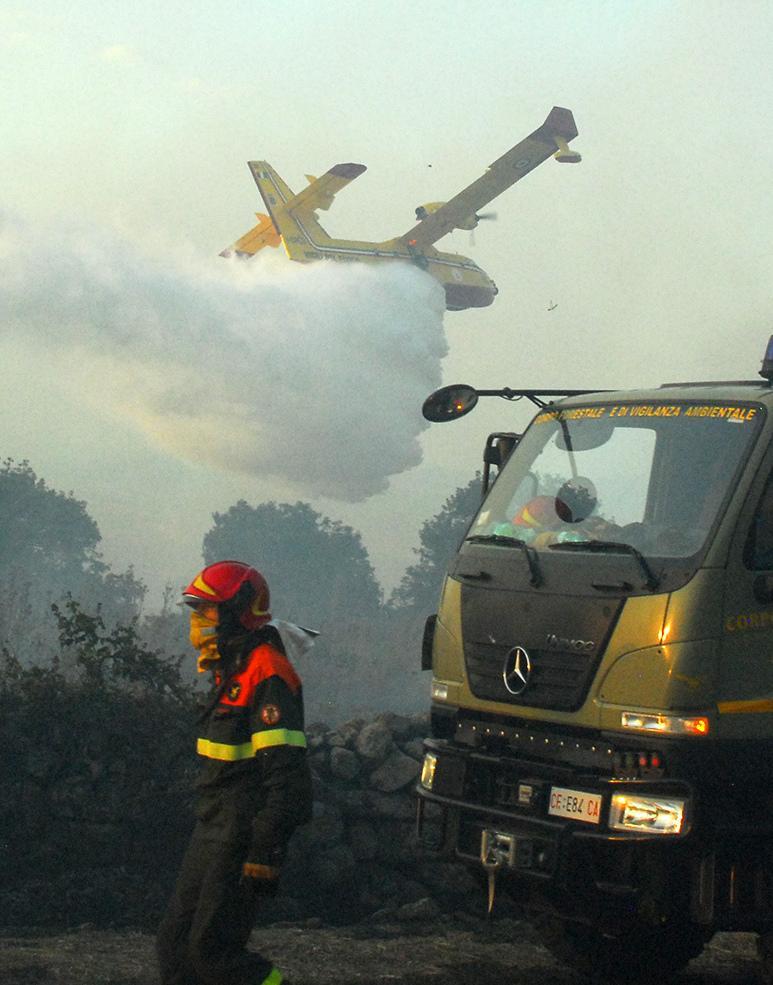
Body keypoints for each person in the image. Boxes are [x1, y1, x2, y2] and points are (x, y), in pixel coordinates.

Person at [157, 560, 314, 985]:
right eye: (195, 611)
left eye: (206, 611)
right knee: (175, 947)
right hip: (212, 822)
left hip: (242, 831)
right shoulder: (232, 668)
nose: (197, 622)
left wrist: (265, 849)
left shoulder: (267, 672)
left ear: (237, 611)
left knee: (215, 954)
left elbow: (288, 780)